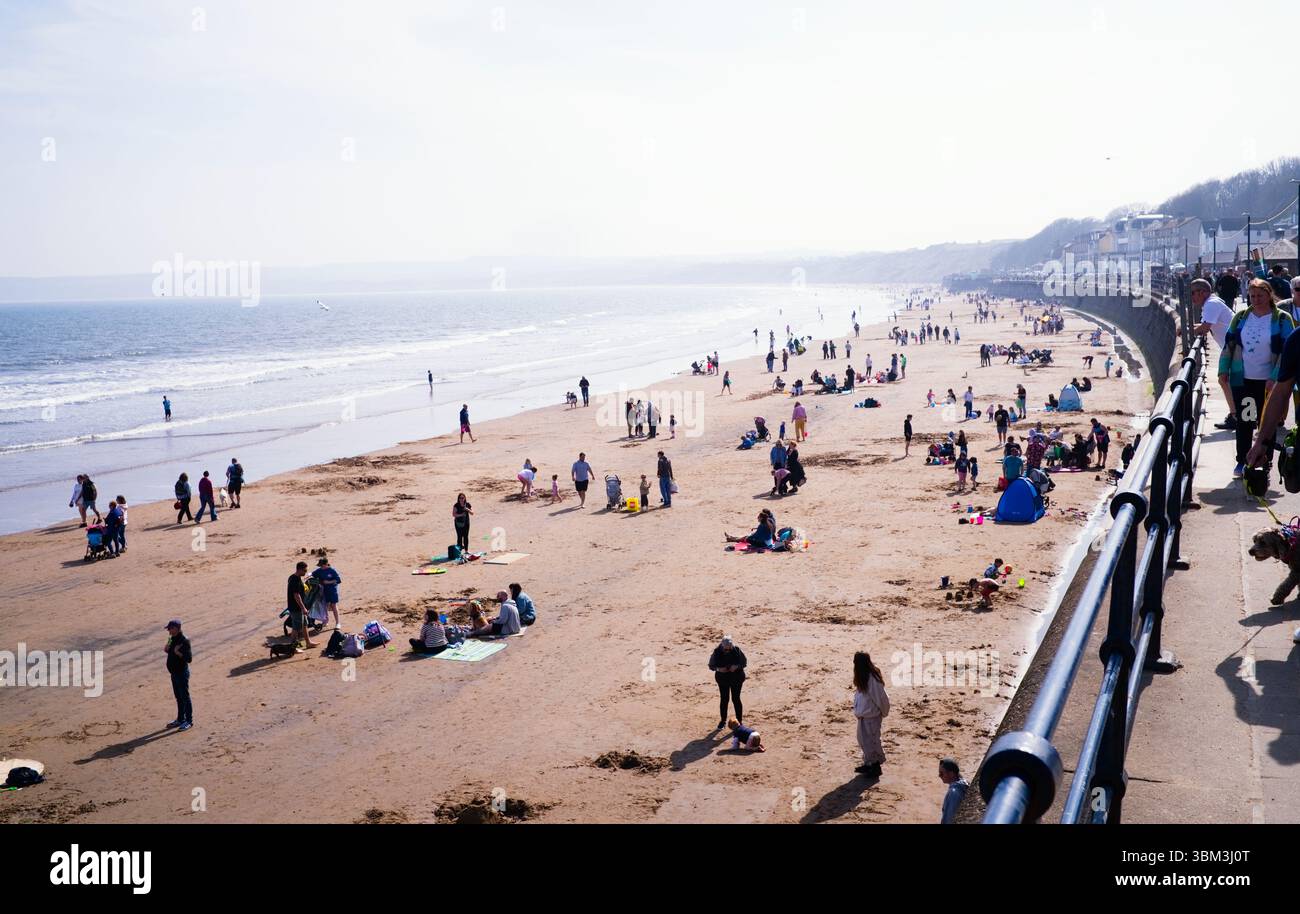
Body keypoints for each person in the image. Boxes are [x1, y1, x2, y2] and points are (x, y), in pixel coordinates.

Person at [1220, 278, 1295, 478]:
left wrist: (1275, 376)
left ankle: (1265, 462)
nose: (1256, 299)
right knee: (1245, 421)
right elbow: (1229, 344)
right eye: (1252, 296)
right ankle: (1242, 461)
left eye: (1260, 295)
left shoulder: (1281, 319)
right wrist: (1223, 370)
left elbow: (1288, 353)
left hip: (1269, 383)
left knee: (1266, 424)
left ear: (1269, 295)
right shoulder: (1241, 317)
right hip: (1244, 380)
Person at [1190, 278, 1238, 430]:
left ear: (1203, 292)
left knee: (1226, 380)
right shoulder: (1212, 302)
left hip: (1235, 347)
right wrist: (1189, 327)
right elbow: (1205, 325)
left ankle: (1237, 416)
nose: (1192, 297)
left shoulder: (1211, 304)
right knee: (1226, 380)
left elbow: (1204, 328)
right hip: (1232, 346)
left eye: (1193, 293)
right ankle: (1236, 415)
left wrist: (1186, 330)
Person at [852, 650, 890, 778]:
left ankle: (875, 766)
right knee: (863, 740)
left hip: (872, 717)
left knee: (872, 741)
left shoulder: (872, 679)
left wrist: (884, 712)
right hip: (864, 717)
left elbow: (881, 698)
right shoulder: (862, 676)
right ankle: (869, 763)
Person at [709, 636, 747, 729]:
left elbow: (744, 663)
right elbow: (711, 665)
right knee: (724, 699)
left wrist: (737, 667)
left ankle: (739, 721)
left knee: (736, 699)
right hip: (723, 679)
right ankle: (723, 721)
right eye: (726, 649)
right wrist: (719, 669)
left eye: (729, 649)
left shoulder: (737, 650)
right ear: (722, 646)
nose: (727, 651)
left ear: (731, 646)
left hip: (736, 678)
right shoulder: (716, 652)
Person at [164, 619, 193, 731]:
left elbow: (189, 659)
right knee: (178, 697)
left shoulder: (184, 641)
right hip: (174, 673)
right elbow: (169, 650)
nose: (169, 631)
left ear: (177, 628)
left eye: (170, 628)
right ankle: (180, 719)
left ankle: (189, 721)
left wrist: (178, 652)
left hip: (182, 673)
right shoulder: (172, 638)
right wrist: (167, 649)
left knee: (185, 697)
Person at [287, 561, 318, 650]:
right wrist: (303, 608)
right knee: (296, 628)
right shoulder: (295, 580)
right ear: (299, 569)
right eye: (304, 570)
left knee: (304, 624)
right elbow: (296, 595)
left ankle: (308, 643)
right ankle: (292, 648)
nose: (305, 572)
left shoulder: (295, 577)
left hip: (298, 607)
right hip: (296, 608)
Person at [312, 556, 342, 629]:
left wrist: (328, 582)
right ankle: (325, 620)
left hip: (332, 591)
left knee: (333, 605)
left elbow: (338, 580)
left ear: (326, 564)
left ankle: (338, 623)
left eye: (322, 565)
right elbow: (313, 575)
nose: (321, 567)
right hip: (323, 591)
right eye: (320, 566)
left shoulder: (332, 571)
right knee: (324, 606)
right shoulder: (319, 570)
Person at [939, 758, 969, 824]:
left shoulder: (954, 793)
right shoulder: (963, 783)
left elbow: (950, 818)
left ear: (951, 774)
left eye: (941, 773)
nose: (939, 776)